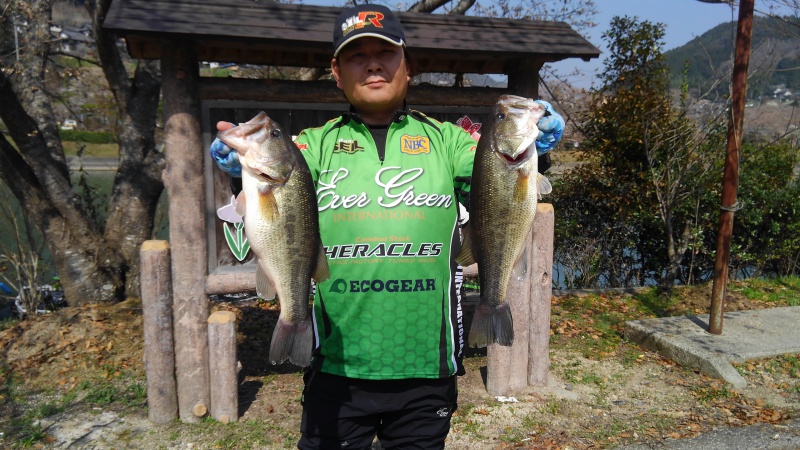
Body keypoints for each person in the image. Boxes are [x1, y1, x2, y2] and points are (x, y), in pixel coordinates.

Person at [210, 5, 564, 449]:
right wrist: (239, 161)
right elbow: (275, 192)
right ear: (336, 73)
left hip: (427, 367)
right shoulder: (312, 147)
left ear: (408, 67)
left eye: (386, 53)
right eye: (357, 56)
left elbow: (500, 178)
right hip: (336, 366)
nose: (373, 64)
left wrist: (539, 144)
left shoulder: (450, 141)